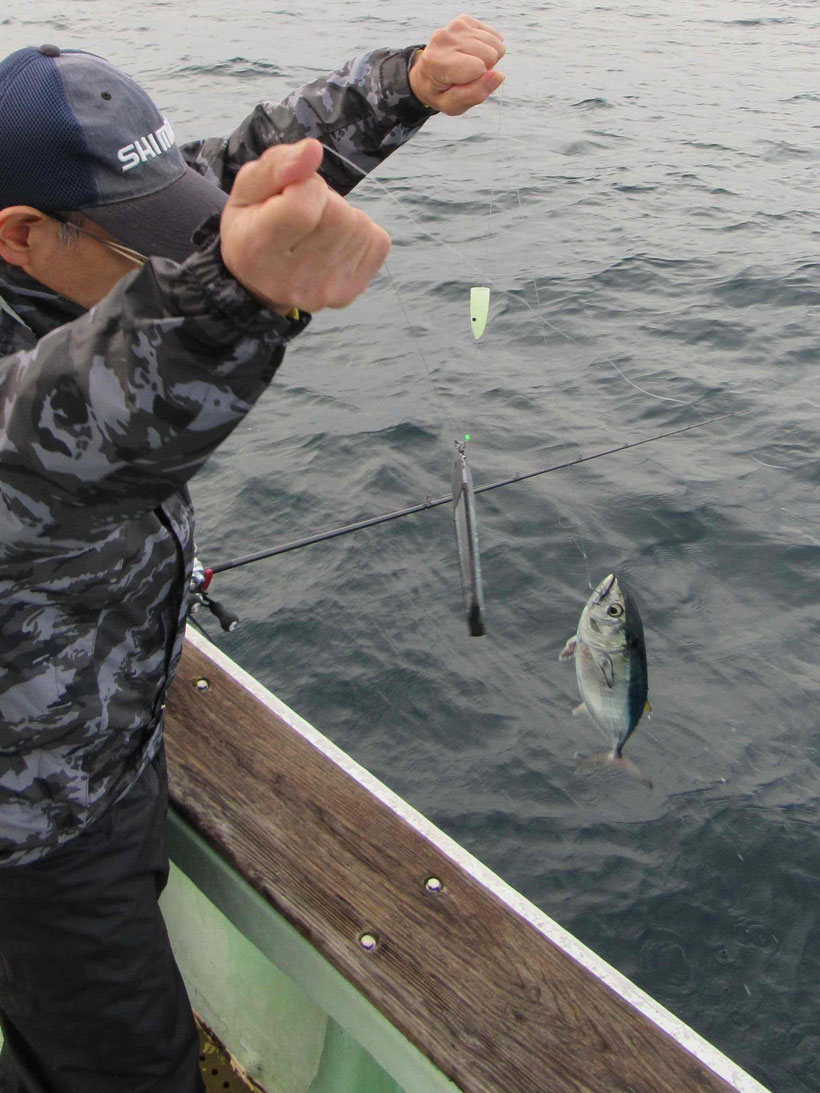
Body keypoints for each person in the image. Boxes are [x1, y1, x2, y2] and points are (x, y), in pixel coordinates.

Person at [0, 14, 505, 1093]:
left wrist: (404, 86)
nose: (174, 249)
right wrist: (235, 295)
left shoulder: (81, 222)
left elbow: (231, 174)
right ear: (19, 234)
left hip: (104, 748)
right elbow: (69, 421)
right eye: (150, 245)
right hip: (33, 835)